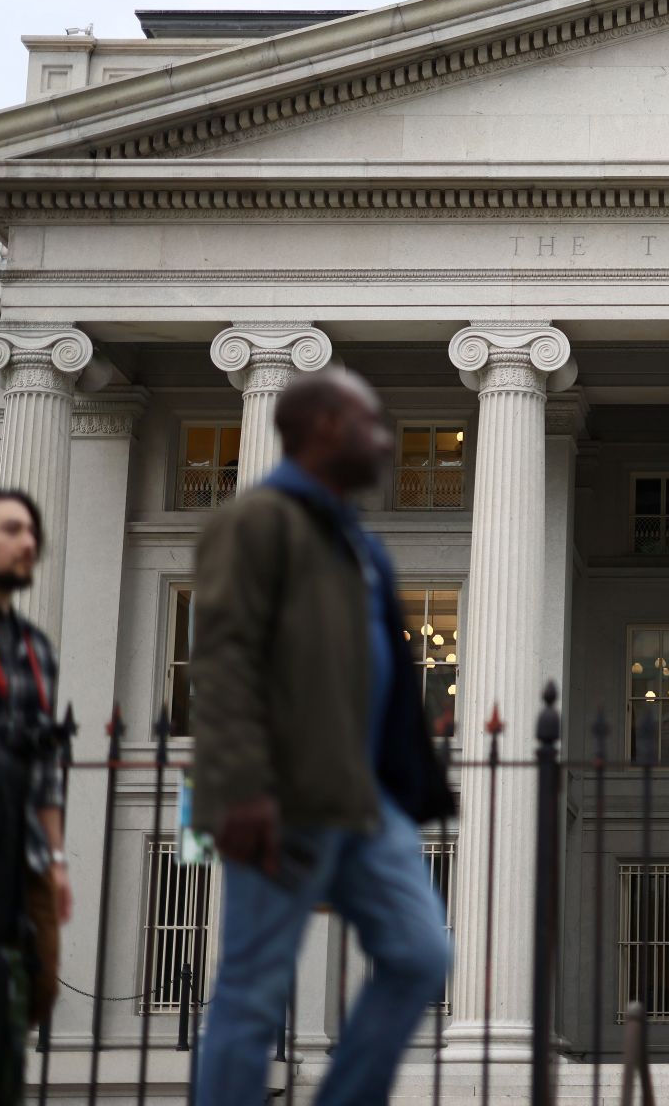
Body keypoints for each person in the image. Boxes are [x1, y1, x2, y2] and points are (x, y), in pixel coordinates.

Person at [192, 370, 453, 1103]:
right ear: (326, 429)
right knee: (251, 993)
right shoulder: (258, 521)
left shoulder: (354, 543)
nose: (387, 441)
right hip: (286, 795)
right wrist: (244, 788)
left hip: (365, 801)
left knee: (419, 953)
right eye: (372, 424)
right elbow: (224, 658)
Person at [0, 489, 69, 1103]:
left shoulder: (35, 648)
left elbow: (46, 766)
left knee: (6, 1039)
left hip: (14, 872)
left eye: (32, 533)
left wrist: (58, 860)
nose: (28, 543)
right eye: (12, 529)